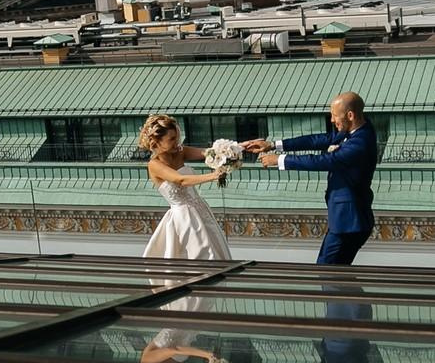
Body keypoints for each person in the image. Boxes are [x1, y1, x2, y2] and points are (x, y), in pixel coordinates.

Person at [247, 92, 378, 265]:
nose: (331, 120)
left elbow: (324, 161)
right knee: (334, 274)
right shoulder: (358, 129)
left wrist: (279, 159)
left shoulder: (360, 143)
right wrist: (274, 145)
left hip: (348, 222)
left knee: (325, 272)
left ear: (350, 115)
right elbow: (319, 140)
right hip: (347, 221)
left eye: (334, 115)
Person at [139, 114, 231, 261]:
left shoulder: (181, 151)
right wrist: (212, 176)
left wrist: (237, 148)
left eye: (177, 137)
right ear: (157, 141)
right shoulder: (154, 165)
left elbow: (209, 153)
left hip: (201, 210)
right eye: (172, 139)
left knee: (216, 252)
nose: (177, 142)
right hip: (183, 218)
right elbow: (180, 180)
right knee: (201, 256)